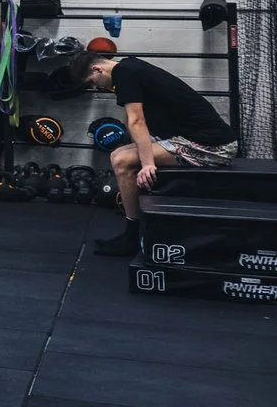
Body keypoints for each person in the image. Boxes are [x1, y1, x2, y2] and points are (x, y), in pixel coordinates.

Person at [86, 50, 237, 257]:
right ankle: (135, 231)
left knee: (122, 161)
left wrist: (147, 163)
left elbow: (137, 121)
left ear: (98, 69)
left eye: (92, 82)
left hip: (215, 146)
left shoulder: (124, 73)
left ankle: (132, 236)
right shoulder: (129, 65)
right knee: (117, 154)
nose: (95, 87)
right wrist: (141, 151)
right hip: (185, 138)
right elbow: (132, 119)